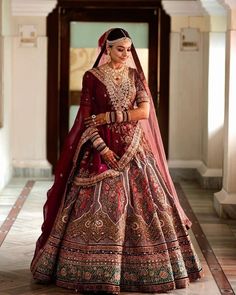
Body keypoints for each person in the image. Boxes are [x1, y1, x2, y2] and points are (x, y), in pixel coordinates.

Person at [31, 28, 202, 294]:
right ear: (107, 49)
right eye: (120, 48)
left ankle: (147, 269)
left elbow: (143, 112)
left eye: (129, 48)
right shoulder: (92, 77)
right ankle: (94, 270)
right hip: (99, 150)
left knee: (148, 204)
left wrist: (109, 117)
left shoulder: (135, 76)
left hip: (135, 148)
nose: (125, 54)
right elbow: (87, 119)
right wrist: (104, 149)